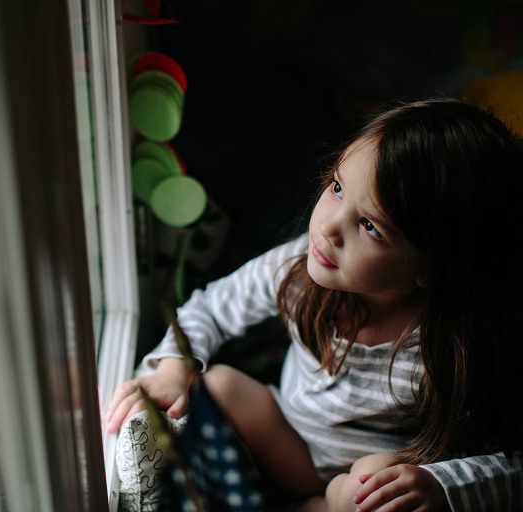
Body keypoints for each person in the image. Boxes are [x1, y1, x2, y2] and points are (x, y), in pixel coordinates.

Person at [106, 97, 523, 511]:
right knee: (216, 385)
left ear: (431, 266)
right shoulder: (298, 266)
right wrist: (174, 368)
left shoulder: (457, 344)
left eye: (371, 227)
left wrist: (440, 486)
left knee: (375, 480)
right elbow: (213, 307)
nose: (328, 227)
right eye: (338, 188)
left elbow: (512, 463)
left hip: (356, 490)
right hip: (286, 441)